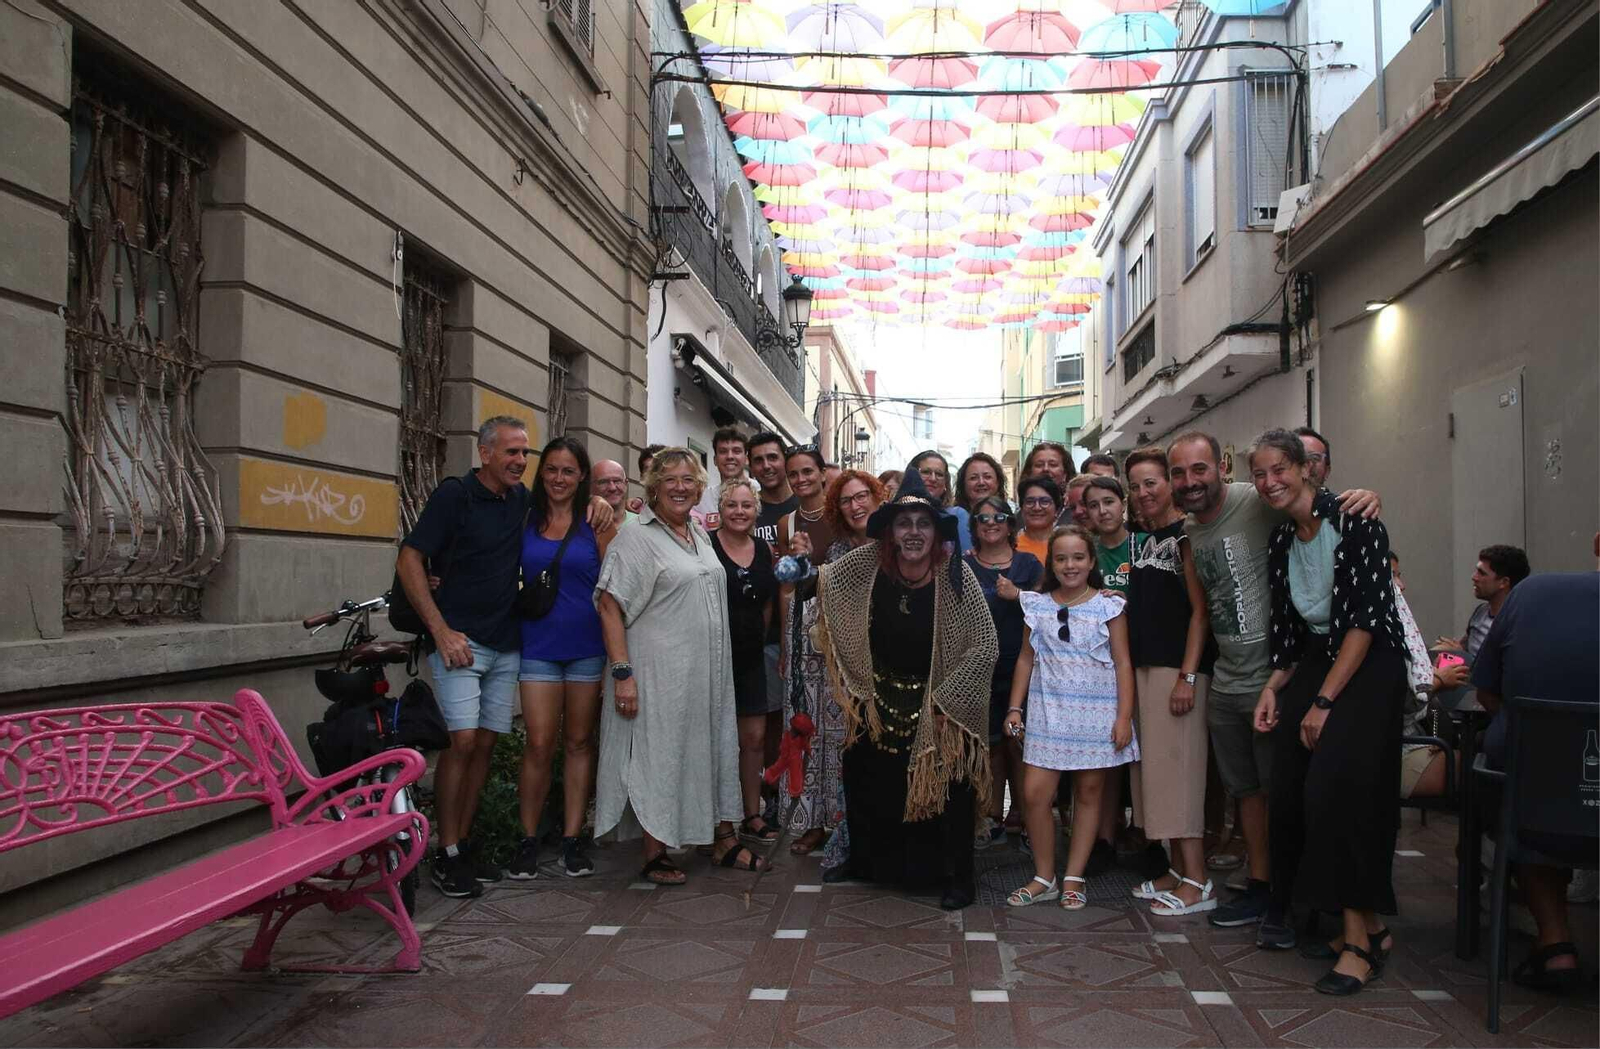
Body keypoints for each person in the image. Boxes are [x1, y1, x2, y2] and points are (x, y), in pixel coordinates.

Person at [1168, 430, 1379, 931]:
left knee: (1286, 791)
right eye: (1180, 473)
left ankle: (1299, 895)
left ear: (1220, 466)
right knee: (1247, 793)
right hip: (1227, 680)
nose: (1190, 481)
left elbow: (1311, 504)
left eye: (1199, 469)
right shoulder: (1189, 533)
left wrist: (1364, 498)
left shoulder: (1255, 500)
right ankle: (1264, 886)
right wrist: (1191, 677)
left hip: (1278, 677)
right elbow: (1201, 611)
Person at [397, 416, 614, 897]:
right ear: (485, 453)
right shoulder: (462, 496)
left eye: (524, 453)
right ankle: (450, 850)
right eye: (512, 452)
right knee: (465, 741)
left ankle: (464, 845)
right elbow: (411, 556)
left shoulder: (522, 503)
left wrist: (602, 499)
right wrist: (439, 627)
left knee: (490, 745)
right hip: (467, 643)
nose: (520, 461)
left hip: (512, 643)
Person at [1246, 429, 1409, 991]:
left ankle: (1359, 943)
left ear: (1306, 469)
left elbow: (1365, 622)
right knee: (1289, 788)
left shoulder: (1356, 520)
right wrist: (1274, 688)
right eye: (1260, 474)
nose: (1269, 483)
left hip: (1370, 663)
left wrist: (1321, 702)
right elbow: (1291, 634)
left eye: (1279, 470)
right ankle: (1368, 921)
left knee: (1334, 789)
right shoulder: (1281, 540)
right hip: (1318, 660)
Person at [813, 466, 998, 909]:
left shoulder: (956, 576)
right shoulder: (867, 563)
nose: (913, 533)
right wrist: (801, 574)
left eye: (923, 524)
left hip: (938, 702)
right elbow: (827, 581)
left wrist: (947, 700)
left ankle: (957, 877)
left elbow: (985, 644)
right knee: (869, 779)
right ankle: (870, 863)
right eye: (903, 523)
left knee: (948, 787)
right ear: (890, 530)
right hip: (879, 699)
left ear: (936, 533)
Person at [593, 448, 768, 884]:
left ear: (699, 487)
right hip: (657, 672)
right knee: (660, 754)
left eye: (688, 479)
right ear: (652, 486)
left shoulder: (698, 532)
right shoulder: (636, 537)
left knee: (708, 749)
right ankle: (655, 851)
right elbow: (610, 604)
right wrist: (622, 673)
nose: (679, 486)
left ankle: (721, 837)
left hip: (705, 672)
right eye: (669, 478)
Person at [1471, 538, 1600, 992]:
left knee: (1524, 783)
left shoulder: (1535, 594)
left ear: (1598, 544)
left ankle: (1556, 946)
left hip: (1534, 812)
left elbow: (1485, 687)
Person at [1004, 526, 1138, 910]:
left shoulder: (1109, 606)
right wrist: (1015, 707)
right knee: (1034, 795)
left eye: (1078, 557)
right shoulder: (1037, 605)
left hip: (1098, 715)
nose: (1070, 565)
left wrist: (1124, 717)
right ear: (1051, 563)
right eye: (1061, 558)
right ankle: (1044, 875)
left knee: (1089, 794)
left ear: (1092, 561)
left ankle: (1074, 876)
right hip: (1048, 715)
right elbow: (1026, 659)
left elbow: (1123, 663)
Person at [508, 436, 615, 880]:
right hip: (537, 646)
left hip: (587, 647)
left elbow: (612, 586)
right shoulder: (524, 518)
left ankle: (573, 838)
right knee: (537, 744)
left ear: (581, 476)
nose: (558, 478)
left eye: (568, 471)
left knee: (578, 743)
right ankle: (527, 839)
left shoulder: (597, 521)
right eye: (551, 469)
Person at [1122, 447, 1217, 915]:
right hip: (1143, 670)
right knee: (1156, 775)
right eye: (1135, 486)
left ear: (1170, 484)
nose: (1143, 493)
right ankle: (1177, 868)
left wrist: (1188, 676)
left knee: (1180, 774)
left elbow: (1200, 612)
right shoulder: (1144, 538)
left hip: (1175, 673)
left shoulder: (1187, 536)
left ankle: (1198, 880)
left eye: (1151, 483)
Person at [815, 469, 886, 876]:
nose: (856, 506)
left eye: (862, 497)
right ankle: (852, 849)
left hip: (895, 668)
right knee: (854, 762)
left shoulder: (895, 546)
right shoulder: (837, 554)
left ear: (877, 500)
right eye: (846, 500)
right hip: (849, 673)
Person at [965, 495, 1044, 847]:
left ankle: (1030, 818)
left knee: (1021, 743)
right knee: (990, 745)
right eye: (983, 519)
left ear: (1010, 524)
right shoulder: (964, 565)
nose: (991, 523)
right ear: (975, 528)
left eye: (998, 516)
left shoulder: (1028, 565)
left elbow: (1047, 609)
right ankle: (993, 816)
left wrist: (1019, 594)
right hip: (979, 669)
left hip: (1022, 667)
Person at [709, 478, 780, 846]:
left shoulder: (765, 550)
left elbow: (768, 602)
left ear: (756, 510)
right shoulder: (705, 546)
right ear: (720, 509)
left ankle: (752, 814)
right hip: (713, 659)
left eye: (746, 506)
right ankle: (717, 821)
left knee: (753, 739)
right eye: (732, 505)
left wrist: (758, 635)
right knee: (716, 740)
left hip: (751, 656)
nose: (739, 512)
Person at [748, 431, 800, 795]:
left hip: (801, 631)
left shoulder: (802, 507)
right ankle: (771, 790)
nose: (766, 466)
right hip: (762, 632)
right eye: (759, 460)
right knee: (767, 718)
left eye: (772, 458)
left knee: (797, 720)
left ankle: (797, 790)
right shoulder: (747, 507)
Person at [1433, 545, 1530, 687]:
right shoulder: (1480, 613)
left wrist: (1463, 657)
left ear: (1504, 582)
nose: (1474, 577)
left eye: (1482, 573)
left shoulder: (1519, 623)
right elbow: (1464, 649)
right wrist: (1450, 653)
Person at [909, 450, 968, 547]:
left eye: (939, 474)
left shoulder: (957, 516)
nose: (933, 479)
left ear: (945, 482)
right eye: (926, 472)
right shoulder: (895, 513)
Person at [1084, 477, 1132, 594]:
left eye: (1109, 502)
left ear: (1124, 505)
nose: (1102, 511)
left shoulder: (1145, 544)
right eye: (1094, 505)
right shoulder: (1086, 551)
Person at [695, 426, 749, 528]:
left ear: (746, 459)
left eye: (736, 451)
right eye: (723, 451)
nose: (730, 456)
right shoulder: (703, 500)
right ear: (715, 459)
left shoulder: (759, 491)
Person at [1016, 474, 1062, 563]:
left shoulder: (1068, 543)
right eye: (1030, 502)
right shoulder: (1011, 547)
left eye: (1045, 501)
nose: (1037, 508)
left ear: (1057, 510)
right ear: (1022, 508)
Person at [955, 452, 1010, 516]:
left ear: (998, 482)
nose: (981, 482)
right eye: (973, 478)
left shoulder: (1010, 519)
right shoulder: (953, 520)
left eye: (987, 477)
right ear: (963, 484)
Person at [593, 459, 636, 527]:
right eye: (604, 482)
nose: (612, 488)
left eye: (617, 481)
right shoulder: (580, 525)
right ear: (590, 487)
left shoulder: (642, 525)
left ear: (626, 484)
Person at [626, 443, 665, 515]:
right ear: (641, 477)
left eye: (659, 469)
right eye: (649, 470)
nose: (654, 475)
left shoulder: (689, 516)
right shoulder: (633, 514)